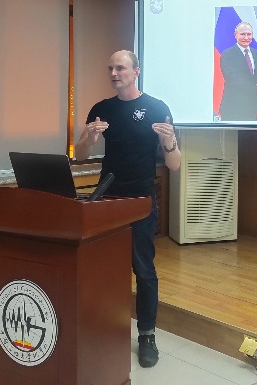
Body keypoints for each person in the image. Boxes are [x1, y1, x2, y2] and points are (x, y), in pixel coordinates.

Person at [74, 50, 181, 369]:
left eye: (120, 68)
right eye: (110, 68)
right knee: (103, 267)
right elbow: (80, 155)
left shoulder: (157, 108)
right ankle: (105, 325)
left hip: (140, 202)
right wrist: (90, 137)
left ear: (136, 71)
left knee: (143, 270)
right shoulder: (101, 109)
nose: (113, 73)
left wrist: (170, 143)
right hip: (107, 199)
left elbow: (175, 165)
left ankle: (146, 335)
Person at [219, 22, 257, 121]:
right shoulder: (227, 55)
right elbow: (233, 80)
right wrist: (256, 88)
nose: (246, 37)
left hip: (251, 108)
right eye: (242, 34)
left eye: (249, 34)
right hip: (232, 108)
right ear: (235, 35)